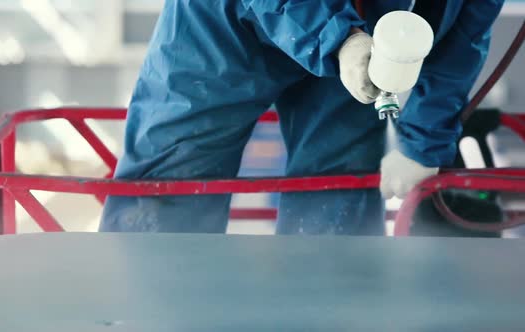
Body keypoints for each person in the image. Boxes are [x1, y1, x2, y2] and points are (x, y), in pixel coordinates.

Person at [100, 0, 504, 235]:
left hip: (369, 22)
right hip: (224, 20)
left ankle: (327, 318)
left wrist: (423, 144)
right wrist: (336, 38)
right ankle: (144, 316)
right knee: (169, 184)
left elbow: (462, 34)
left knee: (337, 192)